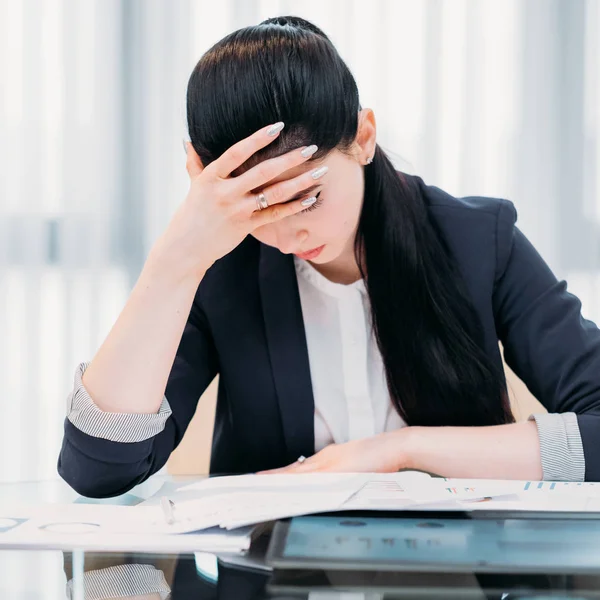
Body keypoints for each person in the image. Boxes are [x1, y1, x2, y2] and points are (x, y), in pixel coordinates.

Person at [58, 16, 600, 498]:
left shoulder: (479, 239)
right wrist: (174, 259)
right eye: (261, 209)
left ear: (363, 137)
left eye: (308, 197)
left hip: (460, 574)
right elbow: (100, 471)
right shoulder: (221, 265)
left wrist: (399, 450)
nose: (290, 234)